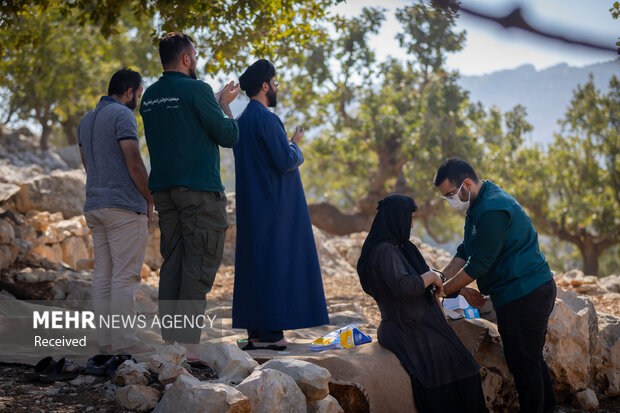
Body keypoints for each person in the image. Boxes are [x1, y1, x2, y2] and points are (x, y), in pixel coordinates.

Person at [140, 32, 240, 359]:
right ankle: (191, 351)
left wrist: (210, 98)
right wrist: (223, 103)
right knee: (198, 263)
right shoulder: (197, 90)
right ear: (187, 58)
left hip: (165, 192)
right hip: (199, 191)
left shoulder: (150, 97)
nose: (195, 60)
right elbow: (228, 135)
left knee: (174, 263)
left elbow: (181, 121)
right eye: (194, 55)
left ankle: (171, 346)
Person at [433, 158, 556, 413]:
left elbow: (478, 265)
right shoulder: (478, 203)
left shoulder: (492, 209)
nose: (449, 201)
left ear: (466, 183)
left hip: (526, 292)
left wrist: (445, 291)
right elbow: (466, 250)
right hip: (514, 291)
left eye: (450, 194)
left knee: (523, 363)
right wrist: (442, 279)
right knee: (530, 359)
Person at [357, 194, 488, 413]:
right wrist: (431, 277)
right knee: (442, 377)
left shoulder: (401, 248)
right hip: (405, 328)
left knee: (465, 371)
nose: (412, 224)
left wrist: (454, 288)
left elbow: (425, 284)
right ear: (397, 218)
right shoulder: (383, 251)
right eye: (409, 218)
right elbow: (404, 286)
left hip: (423, 325)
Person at [232, 59, 329, 344]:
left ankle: (256, 333)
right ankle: (273, 334)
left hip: (252, 207)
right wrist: (295, 143)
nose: (276, 88)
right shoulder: (268, 119)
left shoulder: (242, 121)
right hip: (275, 208)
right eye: (274, 83)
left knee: (255, 267)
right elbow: (284, 160)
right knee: (277, 265)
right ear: (264, 86)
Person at [78, 68, 153, 354]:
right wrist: (149, 197)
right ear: (130, 90)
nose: (138, 100)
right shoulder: (122, 115)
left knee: (104, 276)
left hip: (95, 205)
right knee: (125, 276)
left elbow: (88, 164)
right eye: (139, 93)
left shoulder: (85, 121)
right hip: (123, 207)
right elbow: (133, 160)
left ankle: (106, 342)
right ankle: (125, 342)